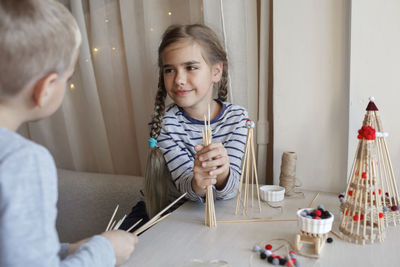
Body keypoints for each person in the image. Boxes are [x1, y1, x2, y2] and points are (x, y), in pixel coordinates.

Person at [0, 0, 138, 266]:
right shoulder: (23, 161)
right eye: (68, 78)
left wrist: (66, 251)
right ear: (46, 87)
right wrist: (105, 250)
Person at [120, 24, 249, 229]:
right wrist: (198, 181)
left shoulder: (237, 118)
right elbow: (185, 188)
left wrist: (223, 174)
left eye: (191, 67)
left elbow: (229, 192)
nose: (179, 80)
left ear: (216, 71)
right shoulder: (164, 123)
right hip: (163, 210)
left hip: (207, 217)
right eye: (169, 70)